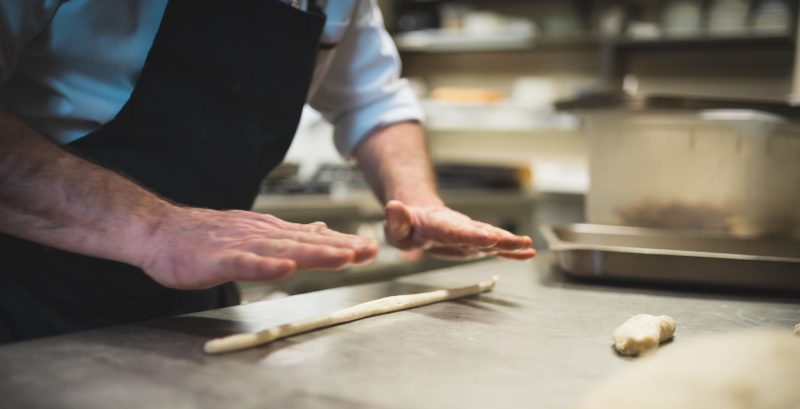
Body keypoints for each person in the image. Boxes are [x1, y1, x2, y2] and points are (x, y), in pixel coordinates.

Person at [0, 0, 535, 344]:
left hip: (195, 306)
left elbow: (373, 99)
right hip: (25, 297)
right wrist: (151, 227)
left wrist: (418, 199)